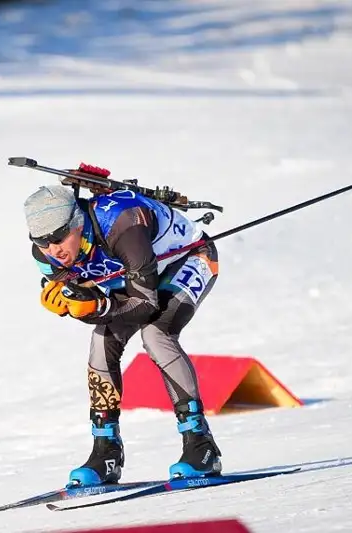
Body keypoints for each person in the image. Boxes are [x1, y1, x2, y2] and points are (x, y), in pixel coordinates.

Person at [23, 180, 222, 486]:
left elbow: (145, 305)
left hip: (189, 258)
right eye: (42, 242)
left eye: (59, 237)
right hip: (134, 277)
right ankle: (106, 453)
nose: (54, 250)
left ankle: (201, 445)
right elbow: (87, 300)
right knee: (102, 341)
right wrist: (70, 305)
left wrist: (95, 307)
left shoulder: (123, 224)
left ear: (77, 223)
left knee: (156, 334)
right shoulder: (45, 256)